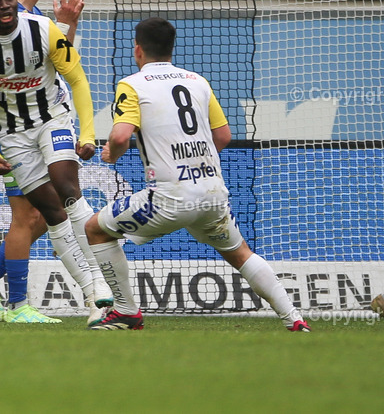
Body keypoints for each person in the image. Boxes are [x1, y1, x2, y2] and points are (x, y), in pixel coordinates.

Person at [86, 17, 310, 332]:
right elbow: (223, 136)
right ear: (171, 48)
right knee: (240, 253)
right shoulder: (197, 81)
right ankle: (295, 320)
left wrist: (113, 153)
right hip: (212, 192)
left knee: (95, 229)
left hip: (169, 197)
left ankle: (125, 312)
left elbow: (121, 137)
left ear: (137, 50)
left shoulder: (132, 84)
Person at [0, 0, 111, 323]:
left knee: (69, 189)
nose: (5, 5)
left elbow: (77, 78)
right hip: (12, 137)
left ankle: (100, 282)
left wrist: (87, 133)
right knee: (52, 213)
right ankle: (91, 294)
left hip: (53, 119)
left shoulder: (43, 29)